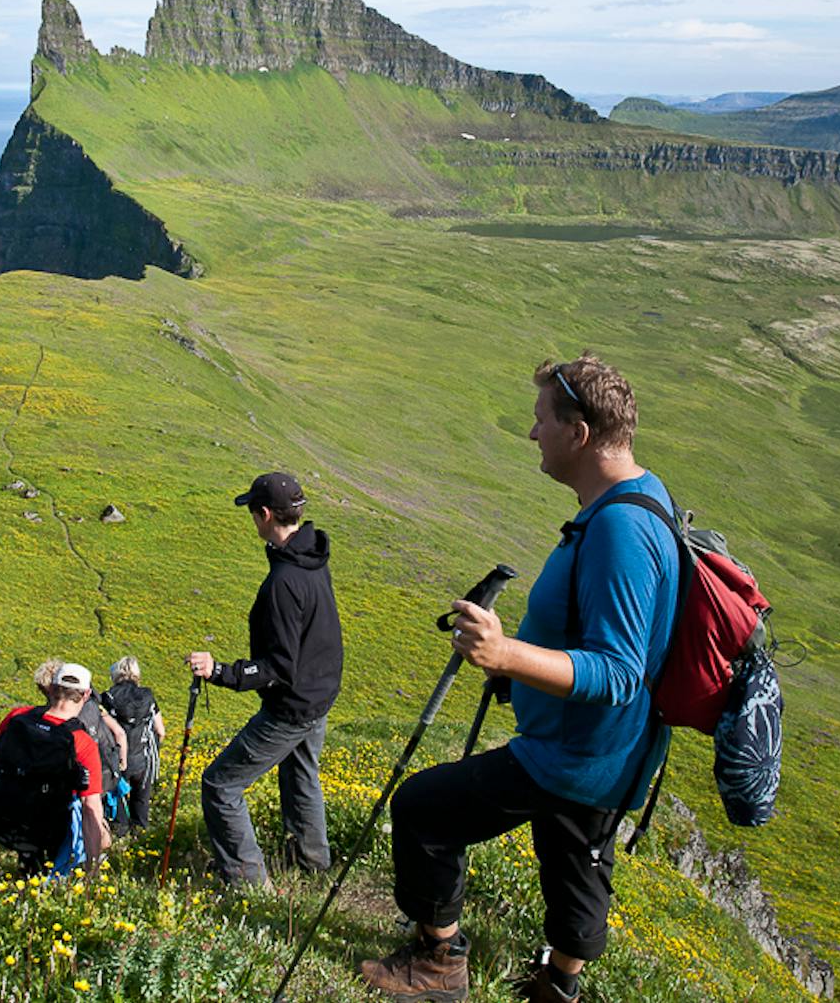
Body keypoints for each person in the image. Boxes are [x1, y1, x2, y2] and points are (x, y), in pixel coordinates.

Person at [359, 353, 680, 1003]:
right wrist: (523, 672)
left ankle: (438, 962)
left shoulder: (620, 527)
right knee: (576, 861)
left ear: (579, 433)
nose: (532, 433)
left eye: (540, 420)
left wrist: (506, 656)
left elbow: (618, 669)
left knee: (424, 810)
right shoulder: (642, 498)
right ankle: (558, 987)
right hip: (607, 751)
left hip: (571, 754)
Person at [187, 470, 344, 887]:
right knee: (301, 773)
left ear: (265, 514)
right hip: (318, 694)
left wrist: (220, 671)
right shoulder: (311, 559)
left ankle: (250, 886)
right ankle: (313, 865)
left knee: (220, 785)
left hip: (293, 705)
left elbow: (277, 666)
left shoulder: (284, 581)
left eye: (253, 512)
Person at [0, 662, 112, 873]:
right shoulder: (82, 741)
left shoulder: (17, 717)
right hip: (50, 829)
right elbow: (90, 806)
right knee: (100, 830)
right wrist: (91, 870)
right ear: (85, 695)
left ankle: (29, 865)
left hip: (2, 818)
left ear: (53, 689)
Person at [33, 657, 129, 808]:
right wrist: (122, 761)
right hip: (106, 771)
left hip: (84, 785)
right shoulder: (94, 706)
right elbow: (119, 732)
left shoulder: (24, 718)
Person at [100, 655, 166, 832]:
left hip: (117, 758)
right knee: (141, 799)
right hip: (143, 759)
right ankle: (140, 835)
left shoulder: (107, 697)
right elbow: (161, 731)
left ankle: (120, 835)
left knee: (118, 798)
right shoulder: (148, 696)